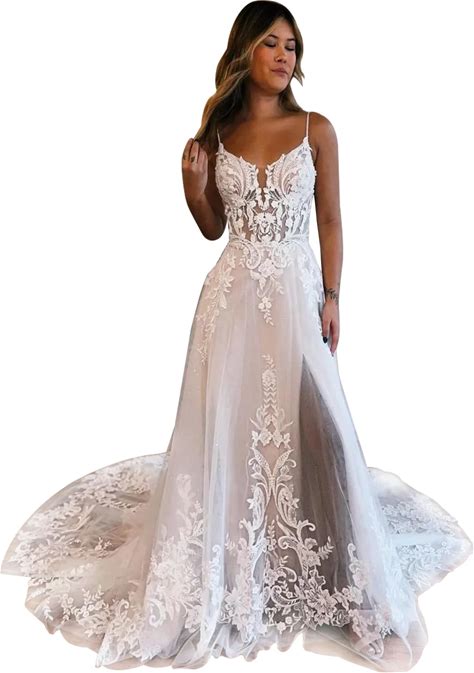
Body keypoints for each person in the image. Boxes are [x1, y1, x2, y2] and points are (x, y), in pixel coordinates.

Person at [1, 2, 472, 670]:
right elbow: (212, 227)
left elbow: (331, 219)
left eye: (291, 46)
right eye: (270, 43)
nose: (283, 56)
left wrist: (333, 295)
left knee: (321, 427)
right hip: (232, 303)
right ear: (245, 51)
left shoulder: (315, 128)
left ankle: (344, 569)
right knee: (237, 430)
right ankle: (239, 560)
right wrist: (192, 185)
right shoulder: (219, 130)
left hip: (296, 297)